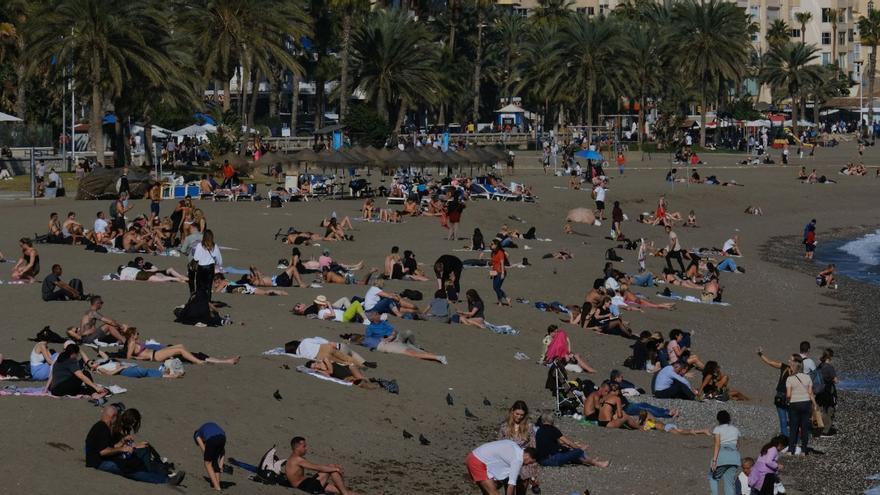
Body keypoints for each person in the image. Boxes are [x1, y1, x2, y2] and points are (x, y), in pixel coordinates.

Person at [85, 405, 186, 485]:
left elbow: (109, 447)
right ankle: (166, 480)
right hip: (98, 463)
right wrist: (122, 449)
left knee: (133, 462)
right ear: (113, 417)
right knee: (129, 470)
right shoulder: (102, 428)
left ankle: (160, 475)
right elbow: (103, 451)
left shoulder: (102, 427)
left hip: (102, 460)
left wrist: (122, 443)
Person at [360, 312, 447, 364]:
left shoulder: (383, 322)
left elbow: (393, 330)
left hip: (396, 337)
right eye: (376, 314)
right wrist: (384, 339)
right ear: (372, 318)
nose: (379, 315)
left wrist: (392, 336)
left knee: (409, 333)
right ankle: (436, 357)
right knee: (414, 352)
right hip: (389, 343)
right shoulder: (370, 328)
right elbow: (369, 339)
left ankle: (418, 346)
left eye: (378, 314)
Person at [124, 327, 239, 365]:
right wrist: (142, 358)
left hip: (155, 354)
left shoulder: (134, 342)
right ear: (132, 335)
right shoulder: (132, 343)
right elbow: (128, 357)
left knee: (180, 345)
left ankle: (226, 361)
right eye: (137, 333)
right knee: (179, 349)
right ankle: (198, 362)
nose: (139, 334)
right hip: (154, 356)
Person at [285, 436, 360, 495]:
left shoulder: (293, 458)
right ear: (297, 447)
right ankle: (345, 494)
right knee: (333, 470)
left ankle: (345, 493)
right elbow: (316, 467)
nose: (306, 448)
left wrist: (333, 466)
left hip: (308, 483)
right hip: (306, 487)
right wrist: (335, 469)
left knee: (340, 489)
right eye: (304, 446)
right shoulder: (297, 459)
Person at [497, 401, 541, 494]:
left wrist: (534, 474)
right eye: (517, 414)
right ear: (512, 411)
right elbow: (498, 447)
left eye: (522, 415)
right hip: (508, 463)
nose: (519, 417)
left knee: (521, 492)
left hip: (524, 464)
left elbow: (533, 449)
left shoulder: (529, 426)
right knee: (509, 490)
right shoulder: (504, 427)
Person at [534, 414, 609, 468]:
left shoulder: (539, 431)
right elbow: (568, 442)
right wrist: (578, 448)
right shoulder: (552, 429)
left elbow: (555, 444)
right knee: (578, 451)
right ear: (552, 421)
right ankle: (596, 463)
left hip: (542, 460)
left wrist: (571, 446)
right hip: (552, 460)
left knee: (571, 453)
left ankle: (589, 461)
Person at [467, 439, 538, 495]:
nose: (528, 464)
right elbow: (511, 485)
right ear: (527, 456)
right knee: (493, 493)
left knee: (487, 492)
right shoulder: (518, 460)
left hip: (473, 455)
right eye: (530, 462)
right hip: (477, 461)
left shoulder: (515, 446)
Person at [756, 347, 796, 436]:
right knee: (783, 420)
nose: (789, 361)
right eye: (789, 359)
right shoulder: (784, 367)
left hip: (793, 397)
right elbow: (770, 362)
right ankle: (785, 439)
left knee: (793, 420)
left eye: (791, 360)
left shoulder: (798, 373)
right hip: (781, 396)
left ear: (796, 362)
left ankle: (793, 439)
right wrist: (760, 355)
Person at [786, 356, 817, 456]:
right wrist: (815, 404)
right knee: (805, 428)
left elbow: (788, 395)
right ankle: (804, 450)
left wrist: (787, 401)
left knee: (793, 427)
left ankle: (791, 450)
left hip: (794, 404)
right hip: (806, 403)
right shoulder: (807, 377)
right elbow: (810, 393)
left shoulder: (790, 379)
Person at [708, 410, 741, 495]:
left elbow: (717, 444)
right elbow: (738, 445)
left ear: (718, 419)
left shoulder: (717, 429)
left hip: (722, 456)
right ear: (729, 418)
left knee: (713, 478)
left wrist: (714, 460)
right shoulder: (735, 429)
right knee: (729, 484)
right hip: (734, 458)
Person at [194, 422, 227, 491]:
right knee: (215, 461)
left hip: (212, 439)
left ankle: (217, 487)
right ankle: (218, 484)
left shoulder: (197, 435)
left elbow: (204, 450)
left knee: (207, 463)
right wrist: (220, 465)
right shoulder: (206, 427)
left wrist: (208, 457)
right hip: (223, 437)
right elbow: (223, 451)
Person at [193, 229, 222, 297]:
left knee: (199, 286)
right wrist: (218, 264)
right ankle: (207, 303)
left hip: (201, 267)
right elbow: (219, 259)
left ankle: (199, 301)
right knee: (208, 287)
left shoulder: (200, 245)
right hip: (210, 268)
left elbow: (196, 258)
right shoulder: (214, 246)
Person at [816, 349, 838, 437]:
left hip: (819, 391)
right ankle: (826, 430)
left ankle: (819, 427)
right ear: (830, 357)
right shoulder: (829, 367)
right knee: (830, 409)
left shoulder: (820, 366)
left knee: (821, 409)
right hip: (828, 391)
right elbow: (835, 380)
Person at [490, 239, 511, 306]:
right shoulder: (493, 253)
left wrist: (502, 273)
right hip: (495, 272)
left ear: (496, 245)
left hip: (501, 272)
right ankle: (506, 298)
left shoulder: (500, 252)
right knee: (495, 287)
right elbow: (493, 263)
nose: (491, 245)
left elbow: (502, 263)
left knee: (497, 287)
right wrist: (492, 273)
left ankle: (501, 301)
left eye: (492, 244)